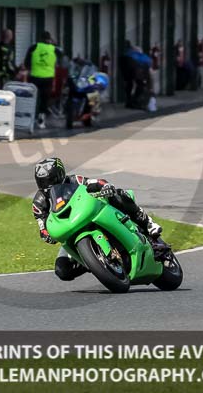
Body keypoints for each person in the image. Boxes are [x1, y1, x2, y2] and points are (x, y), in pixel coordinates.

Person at [32, 157, 162, 281]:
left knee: (119, 194)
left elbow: (94, 182)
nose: (47, 185)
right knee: (62, 270)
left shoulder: (74, 180)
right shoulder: (38, 203)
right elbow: (42, 225)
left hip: (88, 214)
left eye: (50, 180)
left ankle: (147, 223)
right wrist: (46, 234)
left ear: (60, 175)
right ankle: (93, 261)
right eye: (42, 182)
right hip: (69, 230)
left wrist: (104, 186)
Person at [24, 31, 62, 129]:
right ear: (50, 39)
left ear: (40, 38)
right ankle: (41, 120)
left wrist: (30, 68)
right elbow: (62, 58)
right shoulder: (54, 49)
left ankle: (30, 119)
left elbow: (26, 62)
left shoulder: (33, 47)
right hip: (48, 78)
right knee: (44, 100)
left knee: (33, 99)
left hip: (34, 77)